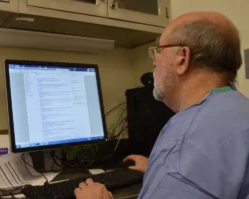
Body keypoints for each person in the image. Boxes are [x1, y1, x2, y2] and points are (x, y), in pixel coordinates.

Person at [74, 11, 249, 199]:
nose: (154, 60)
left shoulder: (184, 143)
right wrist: (159, 169)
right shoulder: (240, 109)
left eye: (159, 50)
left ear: (182, 58)